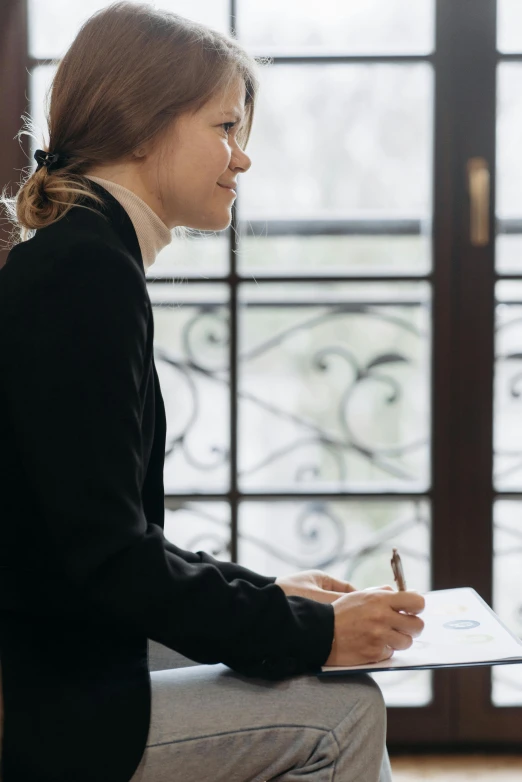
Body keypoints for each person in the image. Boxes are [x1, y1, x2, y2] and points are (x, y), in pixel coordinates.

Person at [0, 3, 425, 781]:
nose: (243, 158)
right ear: (141, 126)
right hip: (38, 693)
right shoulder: (85, 277)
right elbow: (111, 563)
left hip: (52, 642)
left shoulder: (84, 260)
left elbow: (97, 541)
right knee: (345, 709)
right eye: (225, 128)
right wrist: (309, 633)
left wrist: (274, 597)